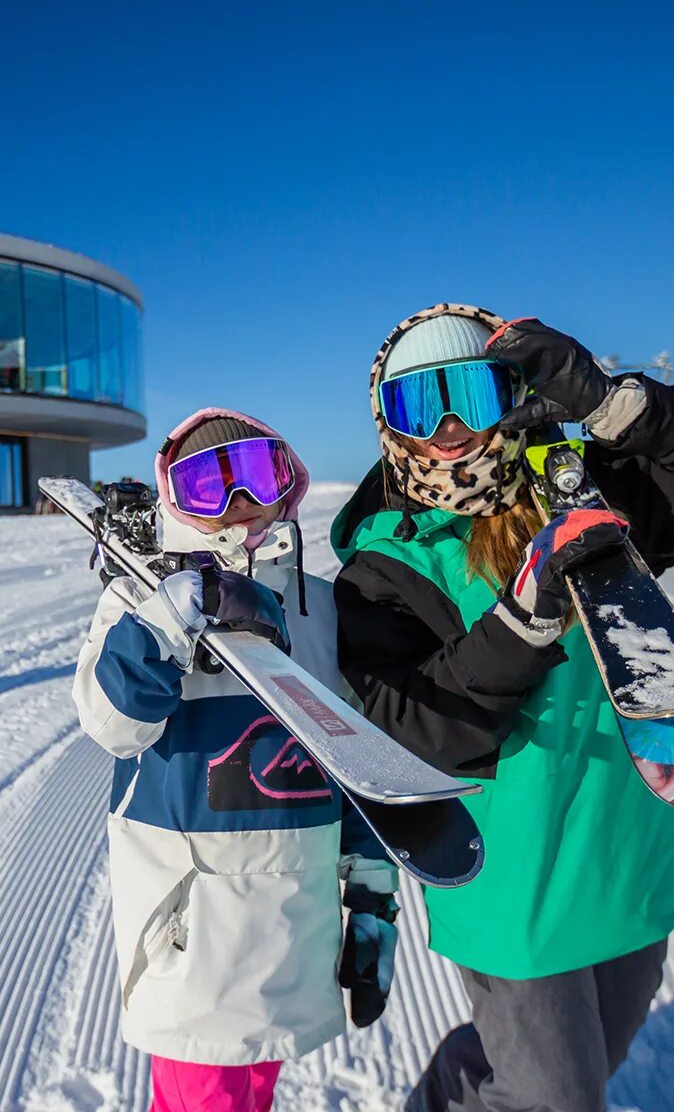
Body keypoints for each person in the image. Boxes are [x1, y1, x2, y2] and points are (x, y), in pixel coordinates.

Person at [328, 305, 674, 1112]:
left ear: (514, 392)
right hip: (517, 886)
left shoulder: (583, 488)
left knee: (585, 1067)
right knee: (556, 1100)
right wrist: (522, 621)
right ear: (384, 422)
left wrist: (615, 408)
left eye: (467, 394)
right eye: (415, 404)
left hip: (633, 846)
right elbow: (415, 738)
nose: (444, 430)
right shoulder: (384, 567)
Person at [73, 408, 401, 1112]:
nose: (237, 505)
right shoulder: (140, 596)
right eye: (207, 485)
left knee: (256, 1090)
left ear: (286, 483)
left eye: (253, 476)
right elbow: (112, 724)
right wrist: (182, 608)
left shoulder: (320, 608)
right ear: (174, 498)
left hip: (293, 923)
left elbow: (354, 757)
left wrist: (372, 899)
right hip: (197, 934)